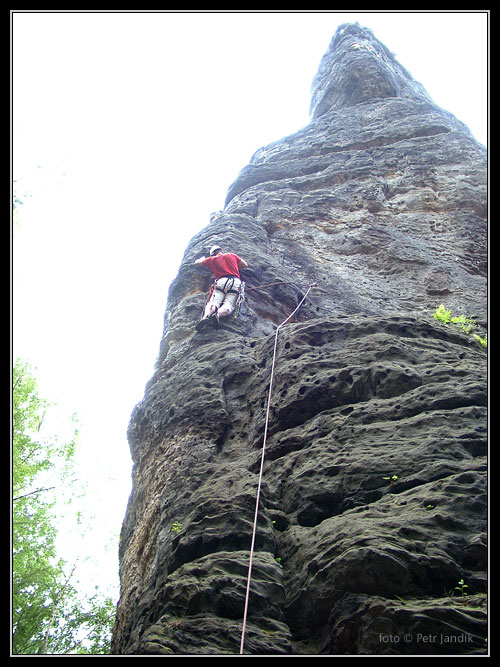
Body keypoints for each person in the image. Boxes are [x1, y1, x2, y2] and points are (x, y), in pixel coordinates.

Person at [194, 245, 248, 329]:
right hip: (235, 282)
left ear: (212, 254)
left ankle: (206, 316)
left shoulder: (211, 259)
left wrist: (202, 259)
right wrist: (234, 265)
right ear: (221, 250)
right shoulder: (231, 255)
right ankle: (218, 315)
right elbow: (245, 264)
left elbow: (197, 263)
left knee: (214, 302)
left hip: (221, 282)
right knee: (229, 304)